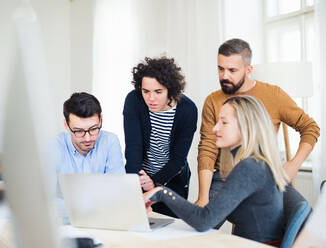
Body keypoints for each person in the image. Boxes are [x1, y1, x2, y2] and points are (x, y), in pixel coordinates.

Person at [144, 95, 289, 246]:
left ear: (246, 126)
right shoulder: (258, 164)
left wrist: (161, 192)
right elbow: (211, 216)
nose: (215, 128)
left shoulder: (250, 167)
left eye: (224, 122)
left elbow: (204, 221)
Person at [195, 38, 320, 208]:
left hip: (265, 177)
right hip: (225, 178)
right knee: (201, 226)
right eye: (220, 69)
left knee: (302, 214)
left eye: (232, 70)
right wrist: (203, 197)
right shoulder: (213, 101)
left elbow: (310, 127)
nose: (225, 76)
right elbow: (207, 149)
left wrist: (294, 164)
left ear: (249, 69)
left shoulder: (273, 95)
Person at [123, 56, 198, 217]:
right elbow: (133, 147)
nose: (151, 98)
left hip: (172, 182)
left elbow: (178, 159)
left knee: (169, 234)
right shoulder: (133, 100)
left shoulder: (188, 110)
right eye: (146, 91)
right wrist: (136, 181)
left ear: (170, 89)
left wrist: (155, 182)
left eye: (158, 92)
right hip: (139, 178)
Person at [51, 92, 125, 176]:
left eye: (93, 129)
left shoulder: (110, 141)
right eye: (79, 131)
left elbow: (117, 185)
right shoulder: (54, 147)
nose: (87, 138)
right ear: (66, 125)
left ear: (101, 120)